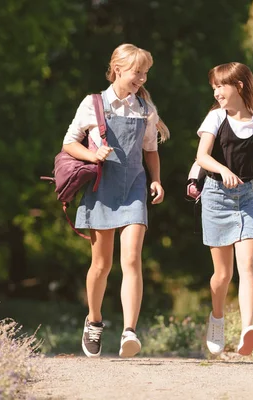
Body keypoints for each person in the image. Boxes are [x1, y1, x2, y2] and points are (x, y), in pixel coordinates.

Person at [62, 43, 169, 358]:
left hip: (134, 187)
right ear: (119, 69)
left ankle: (129, 331)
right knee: (101, 264)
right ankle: (94, 320)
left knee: (133, 259)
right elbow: (69, 143)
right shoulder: (93, 104)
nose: (142, 78)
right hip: (101, 188)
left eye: (146, 73)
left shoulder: (145, 109)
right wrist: (93, 154)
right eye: (138, 72)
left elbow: (151, 149)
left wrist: (157, 180)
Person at [195, 62, 253, 356]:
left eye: (220, 85)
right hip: (215, 196)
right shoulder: (215, 118)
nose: (215, 91)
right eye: (214, 86)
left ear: (238, 86)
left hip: (247, 197)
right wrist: (224, 170)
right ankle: (218, 318)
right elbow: (201, 156)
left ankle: (249, 327)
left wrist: (250, 165)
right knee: (222, 275)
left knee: (247, 266)